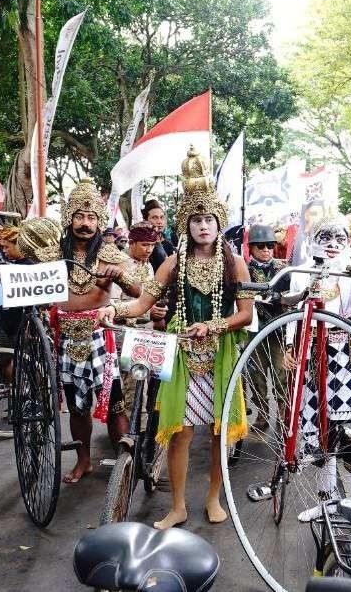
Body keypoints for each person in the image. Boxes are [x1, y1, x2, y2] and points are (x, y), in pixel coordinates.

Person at [99, 146, 254, 530]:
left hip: (220, 355)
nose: (203, 226)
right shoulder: (171, 263)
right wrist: (111, 311)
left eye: (209, 219)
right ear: (185, 225)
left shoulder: (236, 262)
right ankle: (179, 505)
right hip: (180, 354)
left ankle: (214, 498)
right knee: (180, 434)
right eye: (196, 220)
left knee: (219, 433)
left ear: (219, 222)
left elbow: (247, 315)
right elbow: (140, 307)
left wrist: (213, 326)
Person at [282, 217, 351, 521]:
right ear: (314, 241)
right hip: (312, 355)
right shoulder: (303, 273)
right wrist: (289, 347)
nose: (334, 244)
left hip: (348, 359)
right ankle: (327, 503)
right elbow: (294, 313)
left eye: (340, 239)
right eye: (326, 238)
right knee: (320, 432)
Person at [46, 179, 139, 482]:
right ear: (69, 217)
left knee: (115, 405)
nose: (85, 224)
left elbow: (140, 289)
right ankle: (84, 460)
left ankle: (125, 464)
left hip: (100, 337)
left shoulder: (110, 253)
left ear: (99, 222)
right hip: (66, 339)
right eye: (79, 216)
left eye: (91, 218)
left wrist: (119, 277)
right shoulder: (52, 254)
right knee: (76, 408)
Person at [245, 224, 290, 427]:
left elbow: (292, 294)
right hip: (254, 330)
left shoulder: (284, 268)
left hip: (279, 329)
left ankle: (283, 414)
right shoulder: (244, 270)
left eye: (270, 246)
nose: (266, 250)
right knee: (256, 374)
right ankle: (262, 414)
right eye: (260, 246)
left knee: (282, 372)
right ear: (251, 248)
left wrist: (277, 298)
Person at [143, 199, 176, 273]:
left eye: (162, 217)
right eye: (155, 217)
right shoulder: (142, 245)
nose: (159, 222)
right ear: (145, 220)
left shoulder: (168, 244)